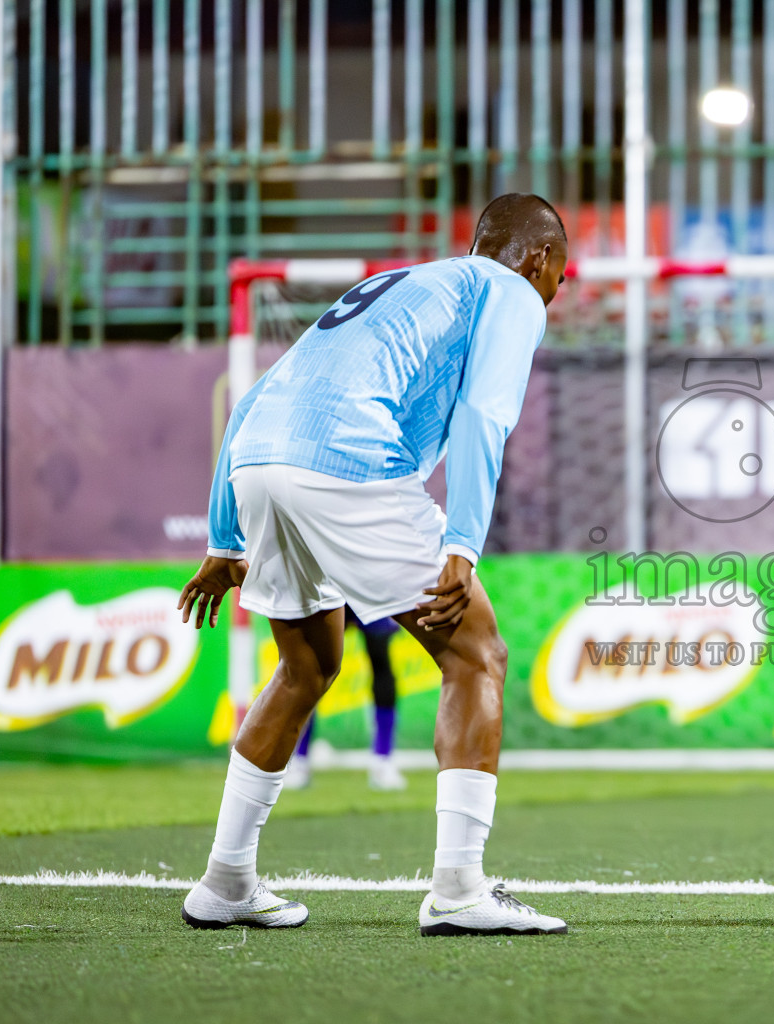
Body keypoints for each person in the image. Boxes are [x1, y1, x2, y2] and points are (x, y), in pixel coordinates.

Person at [176, 193, 569, 936]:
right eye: (561, 272)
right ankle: (458, 889)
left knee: (305, 668)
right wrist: (462, 544)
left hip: (258, 462)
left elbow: (252, 397)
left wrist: (226, 541)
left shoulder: (398, 285)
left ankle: (225, 880)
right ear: (538, 258)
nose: (559, 288)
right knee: (477, 654)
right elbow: (487, 414)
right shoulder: (512, 291)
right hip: (347, 460)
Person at [285, 606, 407, 792]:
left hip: (368, 583)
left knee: (380, 656)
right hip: (334, 584)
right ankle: (299, 760)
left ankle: (383, 760)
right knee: (313, 664)